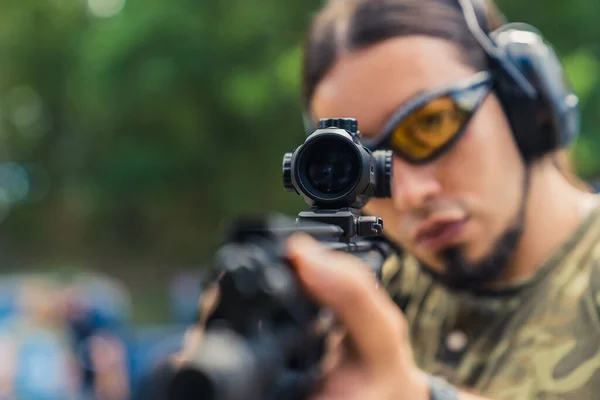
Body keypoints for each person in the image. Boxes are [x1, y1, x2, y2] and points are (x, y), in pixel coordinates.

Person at [174, 0, 600, 399]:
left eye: (431, 124)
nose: (410, 193)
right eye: (362, 165)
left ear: (523, 101)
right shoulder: (364, 297)